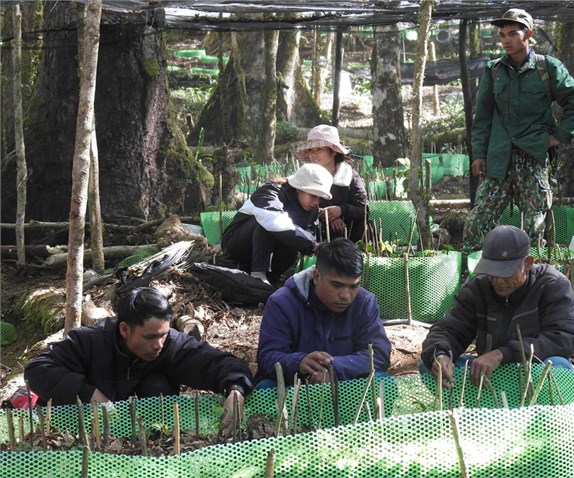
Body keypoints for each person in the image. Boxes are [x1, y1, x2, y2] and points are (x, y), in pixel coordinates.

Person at [24, 287, 253, 435]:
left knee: (157, 386)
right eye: (149, 337)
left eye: (163, 335)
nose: (158, 345)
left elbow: (223, 364)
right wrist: (89, 394)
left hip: (145, 441)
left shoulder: (169, 344)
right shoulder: (91, 341)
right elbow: (37, 370)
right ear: (124, 329)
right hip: (82, 435)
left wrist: (235, 391)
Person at [462, 8, 574, 252]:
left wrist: (559, 137)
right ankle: (475, 283)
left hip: (533, 158)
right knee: (476, 224)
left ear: (528, 34)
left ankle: (530, 282)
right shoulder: (494, 70)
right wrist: (479, 154)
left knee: (534, 228)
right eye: (502, 35)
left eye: (512, 34)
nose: (506, 40)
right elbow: (484, 116)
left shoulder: (547, 68)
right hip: (498, 159)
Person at [421, 225, 574, 388]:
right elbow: (449, 330)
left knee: (557, 367)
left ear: (527, 263)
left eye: (505, 273)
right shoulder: (477, 288)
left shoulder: (552, 285)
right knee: (430, 367)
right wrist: (440, 354)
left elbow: (565, 338)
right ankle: (469, 411)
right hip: (489, 374)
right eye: (492, 272)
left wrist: (504, 354)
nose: (498, 281)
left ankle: (545, 413)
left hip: (533, 369)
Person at [255, 238, 391, 388]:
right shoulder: (282, 302)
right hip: (294, 386)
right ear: (316, 276)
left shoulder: (364, 302)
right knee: (265, 387)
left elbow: (379, 355)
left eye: (354, 286)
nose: (346, 296)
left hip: (346, 384)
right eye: (337, 285)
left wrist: (333, 368)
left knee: (383, 383)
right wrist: (299, 363)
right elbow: (267, 357)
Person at [221, 163, 333, 286]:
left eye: (320, 198)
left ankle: (271, 279)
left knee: (294, 243)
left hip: (271, 256)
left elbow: (307, 237)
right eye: (313, 196)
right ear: (299, 188)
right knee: (268, 225)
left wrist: (315, 247)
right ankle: (258, 275)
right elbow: (273, 221)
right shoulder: (271, 192)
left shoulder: (313, 211)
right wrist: (312, 245)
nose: (316, 202)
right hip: (238, 246)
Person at [296, 125, 369, 243]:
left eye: (319, 149)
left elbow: (363, 209)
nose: (314, 154)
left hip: (351, 238)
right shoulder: (305, 177)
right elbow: (296, 205)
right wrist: (327, 216)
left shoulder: (350, 176)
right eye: (311, 150)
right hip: (316, 239)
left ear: (333, 151)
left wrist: (341, 210)